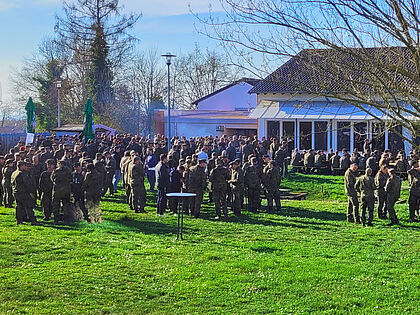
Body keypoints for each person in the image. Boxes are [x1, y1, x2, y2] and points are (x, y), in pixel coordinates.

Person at [11, 161, 38, 225]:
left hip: (16, 192)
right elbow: (27, 184)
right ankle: (33, 220)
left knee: (19, 207)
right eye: (24, 165)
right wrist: (31, 192)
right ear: (21, 166)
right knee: (28, 206)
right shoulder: (22, 174)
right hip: (23, 192)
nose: (26, 167)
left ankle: (19, 220)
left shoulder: (14, 173)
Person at [51, 160, 72, 224]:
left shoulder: (55, 171)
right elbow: (71, 179)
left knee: (56, 206)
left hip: (57, 191)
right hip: (66, 190)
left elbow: (52, 178)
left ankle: (56, 220)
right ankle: (66, 219)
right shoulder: (69, 171)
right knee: (66, 206)